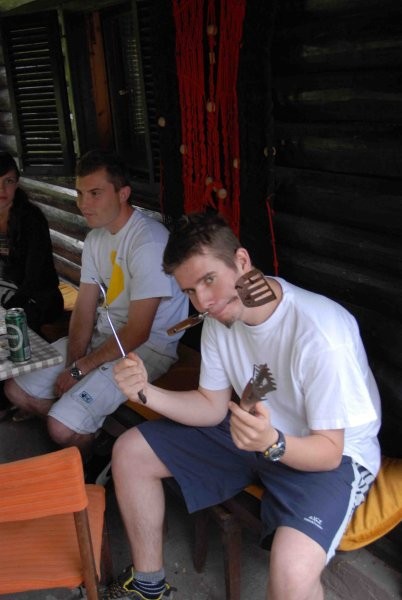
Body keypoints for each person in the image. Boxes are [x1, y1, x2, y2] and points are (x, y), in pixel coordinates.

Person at [103, 211, 381, 600]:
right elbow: (211, 406)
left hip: (329, 456)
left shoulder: (320, 332)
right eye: (189, 291)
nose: (203, 302)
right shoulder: (220, 320)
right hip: (254, 433)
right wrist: (144, 392)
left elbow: (329, 452)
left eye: (209, 280)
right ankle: (149, 586)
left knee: (292, 574)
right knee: (131, 452)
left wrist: (272, 442)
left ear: (242, 261)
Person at [3, 149, 188, 455]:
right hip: (105, 337)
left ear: (123, 194)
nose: (83, 204)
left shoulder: (148, 241)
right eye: (79, 193)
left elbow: (139, 331)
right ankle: (85, 428)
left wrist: (80, 371)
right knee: (16, 389)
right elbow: (85, 307)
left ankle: (85, 445)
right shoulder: (96, 238)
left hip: (147, 349)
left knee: (59, 427)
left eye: (95, 193)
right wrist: (75, 361)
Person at [0, 151, 63, 421]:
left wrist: (7, 307)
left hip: (40, 295)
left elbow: (35, 277)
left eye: (8, 181)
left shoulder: (31, 219)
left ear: (17, 183)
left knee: (13, 324)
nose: (2, 190)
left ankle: (13, 396)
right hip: (6, 291)